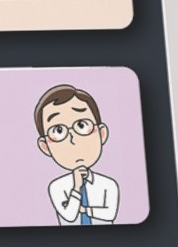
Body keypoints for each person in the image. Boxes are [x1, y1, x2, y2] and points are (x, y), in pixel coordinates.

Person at [35, 84, 120, 225]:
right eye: (58, 130)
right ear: (45, 147)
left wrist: (85, 210)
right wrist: (76, 188)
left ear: (102, 133)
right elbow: (69, 216)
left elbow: (110, 214)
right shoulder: (57, 186)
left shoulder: (108, 184)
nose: (72, 139)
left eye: (81, 125)